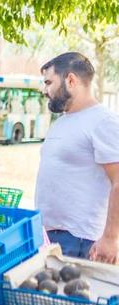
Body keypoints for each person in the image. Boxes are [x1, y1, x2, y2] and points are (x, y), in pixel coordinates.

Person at [36, 52, 119, 262]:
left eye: (48, 83)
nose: (45, 91)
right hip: (48, 236)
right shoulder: (62, 121)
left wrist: (110, 238)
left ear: (70, 80)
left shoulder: (103, 121)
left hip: (81, 241)